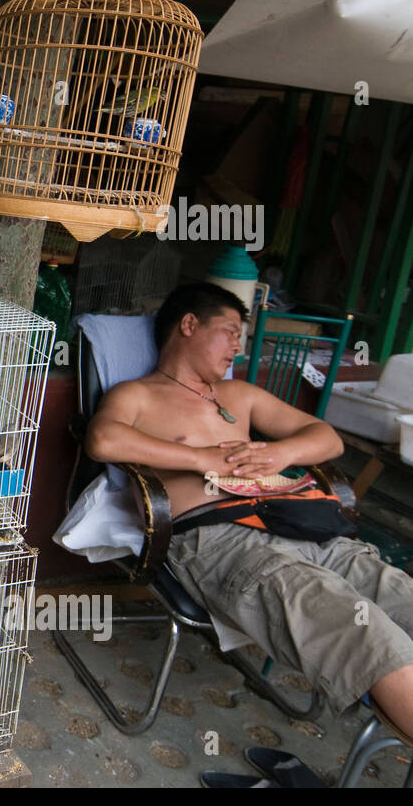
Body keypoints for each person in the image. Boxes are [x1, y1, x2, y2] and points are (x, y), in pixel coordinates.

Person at [85, 282, 413, 742]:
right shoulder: (139, 395)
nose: (238, 346)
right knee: (360, 630)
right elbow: (103, 440)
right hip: (225, 541)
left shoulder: (239, 395)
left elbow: (327, 438)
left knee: (401, 596)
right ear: (189, 324)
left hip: (299, 525)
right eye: (230, 331)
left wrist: (280, 453)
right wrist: (202, 459)